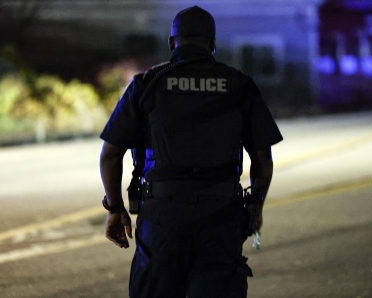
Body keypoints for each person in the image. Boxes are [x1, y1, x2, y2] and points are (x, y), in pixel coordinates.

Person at [99, 6, 283, 298]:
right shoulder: (238, 85)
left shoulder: (146, 85)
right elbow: (263, 159)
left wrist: (115, 208)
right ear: (212, 44)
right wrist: (255, 205)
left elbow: (110, 154)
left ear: (172, 43)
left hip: (162, 218)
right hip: (220, 216)